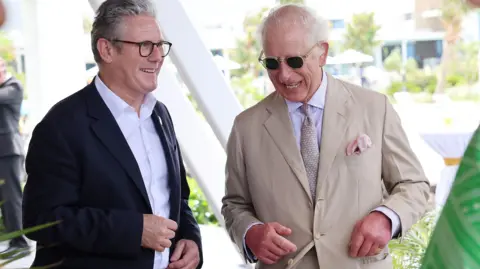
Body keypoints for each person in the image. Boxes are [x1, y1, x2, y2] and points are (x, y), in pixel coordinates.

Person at [221, 4, 430, 269]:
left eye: (295, 61)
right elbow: (234, 204)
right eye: (272, 63)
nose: (284, 75)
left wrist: (387, 217)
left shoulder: (375, 108)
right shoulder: (245, 127)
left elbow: (414, 184)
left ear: (322, 52)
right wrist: (250, 232)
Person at [22, 1, 202, 268]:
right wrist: (134, 230)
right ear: (106, 49)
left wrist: (190, 239)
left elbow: (177, 199)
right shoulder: (61, 126)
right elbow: (42, 220)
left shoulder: (160, 114)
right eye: (144, 46)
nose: (157, 56)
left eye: (160, 45)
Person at [0, 57, 29, 254]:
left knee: (11, 197)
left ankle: (20, 242)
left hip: (9, 151)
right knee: (4, 198)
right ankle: (12, 239)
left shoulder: (14, 87)